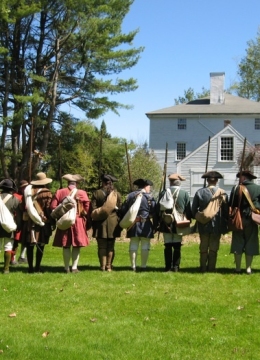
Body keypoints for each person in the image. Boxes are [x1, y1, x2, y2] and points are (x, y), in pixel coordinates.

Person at [51, 174, 90, 273]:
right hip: (77, 220)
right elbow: (87, 208)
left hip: (64, 220)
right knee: (76, 245)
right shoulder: (82, 192)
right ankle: (74, 268)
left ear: (68, 183)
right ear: (77, 183)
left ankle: (66, 268)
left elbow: (53, 206)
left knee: (66, 245)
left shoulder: (60, 192)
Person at [192, 171, 228, 273]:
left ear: (207, 180)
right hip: (217, 224)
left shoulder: (199, 192)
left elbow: (194, 209)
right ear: (216, 181)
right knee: (214, 247)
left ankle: (203, 267)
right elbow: (226, 211)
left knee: (203, 246)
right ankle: (211, 268)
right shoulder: (223, 193)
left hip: (203, 224)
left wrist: (200, 217)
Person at [158, 174, 192, 272]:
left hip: (165, 222)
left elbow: (158, 209)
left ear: (170, 182)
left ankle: (168, 267)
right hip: (179, 221)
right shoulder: (184, 193)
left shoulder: (163, 192)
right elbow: (188, 209)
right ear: (179, 182)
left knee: (167, 245)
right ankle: (176, 267)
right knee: (177, 245)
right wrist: (188, 220)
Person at [121, 178, 157, 271]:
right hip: (146, 223)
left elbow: (123, 210)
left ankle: (133, 266)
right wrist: (156, 225)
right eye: (149, 186)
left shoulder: (130, 196)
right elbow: (154, 211)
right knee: (145, 245)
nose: (149, 188)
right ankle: (143, 266)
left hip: (133, 224)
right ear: (145, 186)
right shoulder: (150, 197)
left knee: (133, 244)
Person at [229, 170, 260, 274]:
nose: (239, 179)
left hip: (238, 219)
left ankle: (237, 268)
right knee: (251, 242)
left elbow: (231, 204)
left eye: (240, 177)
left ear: (243, 178)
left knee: (238, 241)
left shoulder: (236, 188)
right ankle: (248, 268)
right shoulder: (258, 188)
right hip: (253, 219)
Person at [23, 172, 54, 273]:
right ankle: (37, 267)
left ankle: (30, 268)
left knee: (30, 246)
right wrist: (51, 220)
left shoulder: (28, 192)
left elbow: (23, 206)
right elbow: (49, 208)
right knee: (41, 245)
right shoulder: (47, 193)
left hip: (30, 222)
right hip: (43, 222)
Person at [91, 174, 122, 271]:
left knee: (101, 246)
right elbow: (120, 209)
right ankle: (109, 266)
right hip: (113, 222)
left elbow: (93, 209)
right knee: (111, 246)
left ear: (103, 182)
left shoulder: (97, 193)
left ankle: (102, 266)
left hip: (100, 223)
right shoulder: (116, 194)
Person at [0, 179, 22, 274]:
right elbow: (19, 215)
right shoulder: (15, 200)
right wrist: (18, 226)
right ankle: (6, 269)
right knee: (8, 247)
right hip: (9, 224)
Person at [11, 180, 29, 265]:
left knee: (25, 240)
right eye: (24, 187)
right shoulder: (15, 196)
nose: (25, 188)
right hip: (16, 221)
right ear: (21, 188)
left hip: (25, 221)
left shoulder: (27, 196)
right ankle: (12, 258)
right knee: (15, 241)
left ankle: (22, 256)